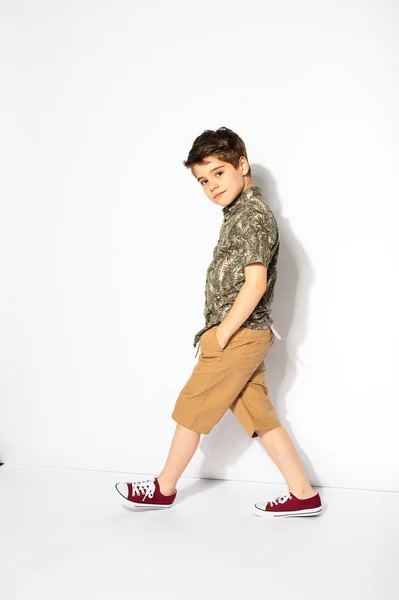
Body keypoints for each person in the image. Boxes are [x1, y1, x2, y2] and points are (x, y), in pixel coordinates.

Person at [115, 127, 322, 518]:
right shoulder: (239, 214)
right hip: (244, 335)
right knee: (258, 414)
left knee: (192, 406)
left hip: (238, 336)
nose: (211, 186)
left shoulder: (252, 217)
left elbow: (256, 282)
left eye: (218, 173)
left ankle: (163, 488)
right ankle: (303, 494)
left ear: (242, 166)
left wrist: (221, 334)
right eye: (202, 180)